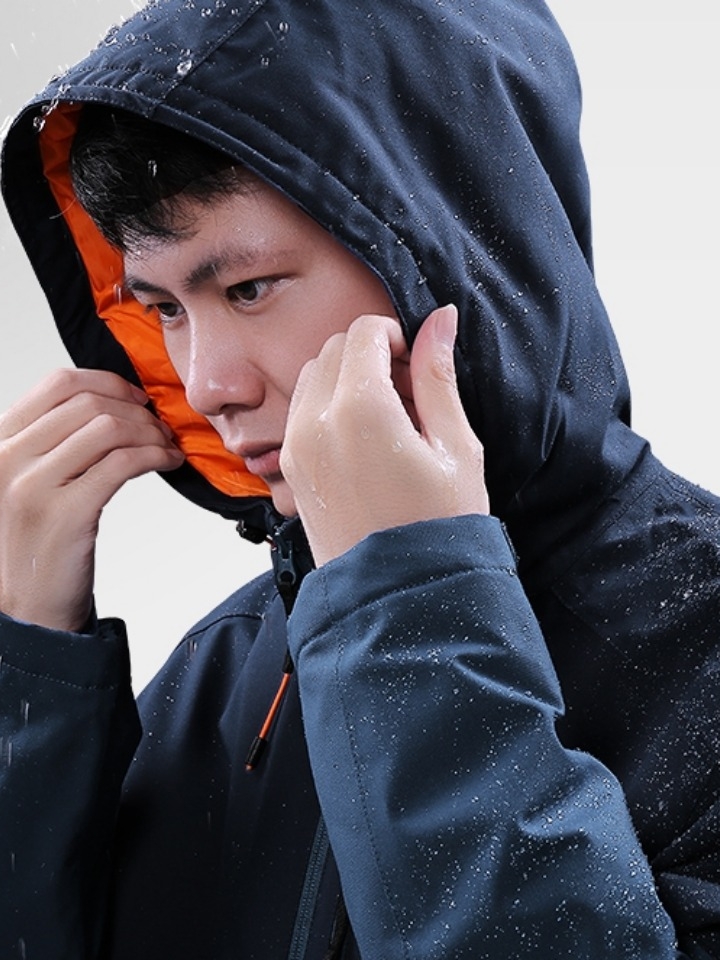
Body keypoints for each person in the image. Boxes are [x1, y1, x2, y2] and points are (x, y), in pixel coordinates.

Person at [0, 0, 718, 957]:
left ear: (451, 251)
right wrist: (26, 679)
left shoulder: (701, 635)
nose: (204, 385)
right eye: (164, 308)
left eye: (247, 288)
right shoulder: (224, 665)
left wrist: (410, 611)